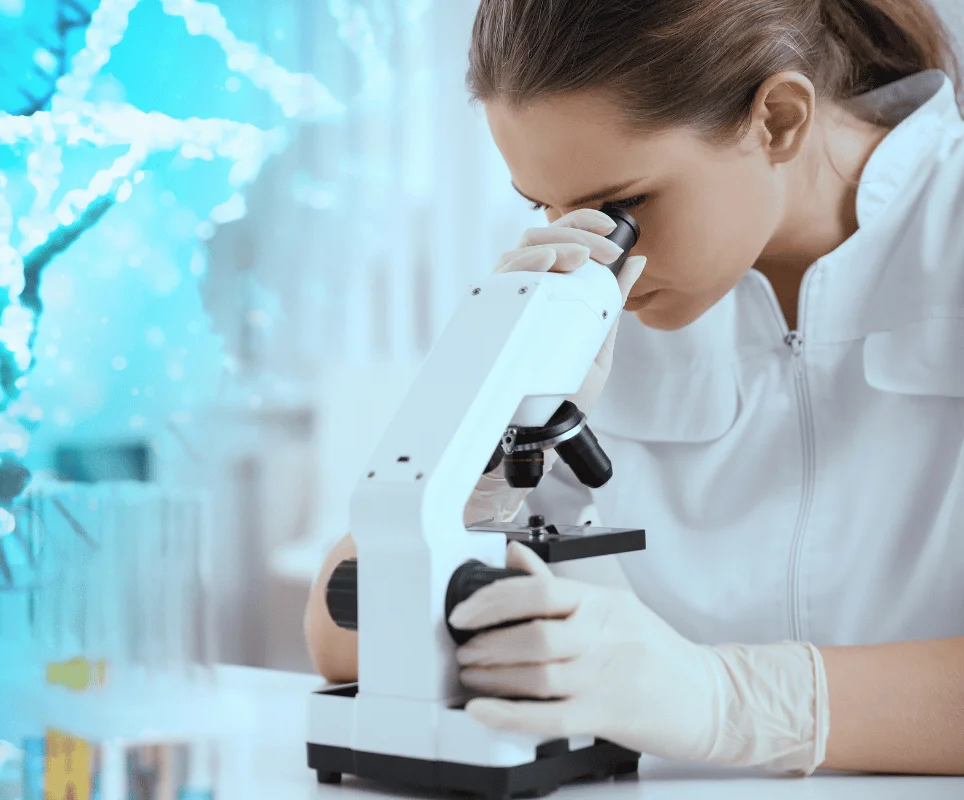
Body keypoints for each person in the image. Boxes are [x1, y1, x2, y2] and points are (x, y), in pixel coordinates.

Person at [304, 0, 964, 778]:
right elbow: (338, 634)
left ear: (778, 119)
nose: (594, 255)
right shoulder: (597, 294)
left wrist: (727, 701)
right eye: (542, 206)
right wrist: (482, 428)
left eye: (622, 209)